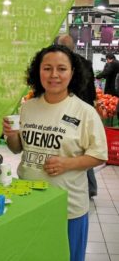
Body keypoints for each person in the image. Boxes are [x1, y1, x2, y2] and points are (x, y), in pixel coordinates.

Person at [3, 45, 108, 261]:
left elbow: (99, 155)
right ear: (37, 71)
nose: (54, 75)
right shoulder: (28, 107)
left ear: (72, 73)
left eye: (61, 69)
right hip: (29, 201)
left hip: (68, 208)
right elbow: (18, 148)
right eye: (47, 68)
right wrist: (11, 135)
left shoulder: (85, 112)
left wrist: (66, 164)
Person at [57, 34, 98, 198]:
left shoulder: (63, 64)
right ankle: (91, 187)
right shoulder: (85, 62)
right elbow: (92, 89)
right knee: (85, 149)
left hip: (69, 110)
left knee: (74, 149)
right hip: (85, 108)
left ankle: (84, 187)